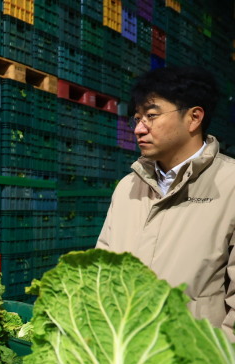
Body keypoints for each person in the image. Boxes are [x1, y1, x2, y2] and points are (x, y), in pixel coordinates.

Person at [96, 66, 235, 341]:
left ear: (194, 118)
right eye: (137, 118)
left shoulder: (230, 184)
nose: (138, 129)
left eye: (151, 116)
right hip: (124, 356)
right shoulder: (127, 188)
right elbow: (101, 273)